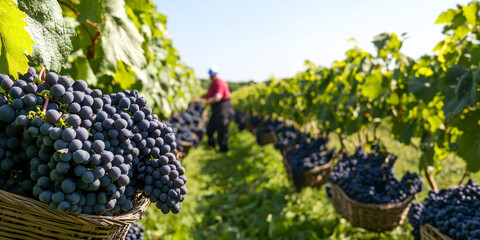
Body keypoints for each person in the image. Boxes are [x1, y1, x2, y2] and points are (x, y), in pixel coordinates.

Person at [201, 65, 234, 152]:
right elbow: (209, 94)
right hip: (216, 108)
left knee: (222, 128)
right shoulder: (213, 83)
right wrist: (200, 98)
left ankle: (223, 149)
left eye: (212, 75)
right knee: (210, 127)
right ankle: (211, 146)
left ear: (215, 74)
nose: (210, 76)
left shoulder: (220, 82)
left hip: (224, 107)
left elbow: (217, 97)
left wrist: (206, 102)